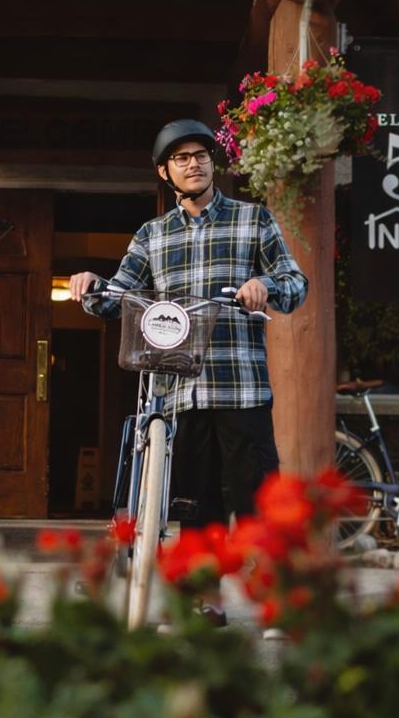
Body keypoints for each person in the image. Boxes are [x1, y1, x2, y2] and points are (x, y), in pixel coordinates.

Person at [68, 118, 309, 534]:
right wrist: (92, 285)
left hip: (241, 389)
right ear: (165, 171)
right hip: (180, 395)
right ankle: (204, 580)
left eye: (200, 156)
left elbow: (295, 284)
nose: (193, 164)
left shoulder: (253, 219)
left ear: (212, 163)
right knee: (198, 518)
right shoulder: (152, 235)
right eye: (181, 158)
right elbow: (119, 297)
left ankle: (263, 577)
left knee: (258, 513)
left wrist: (264, 285)